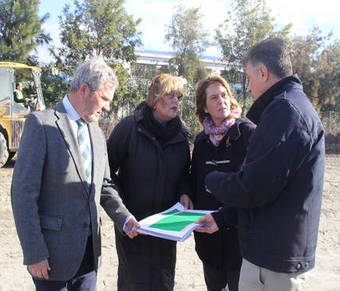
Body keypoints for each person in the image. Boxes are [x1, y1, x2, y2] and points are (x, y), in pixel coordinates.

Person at [196, 38, 325, 291]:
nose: (249, 86)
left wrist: (212, 178)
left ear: (263, 72)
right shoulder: (288, 107)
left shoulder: (285, 112)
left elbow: (253, 187)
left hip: (276, 257)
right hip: (270, 251)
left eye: (249, 78)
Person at [11, 56, 139, 291]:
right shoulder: (41, 124)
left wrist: (125, 218)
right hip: (51, 257)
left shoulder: (97, 134)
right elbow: (23, 194)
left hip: (89, 255)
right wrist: (34, 252)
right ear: (84, 90)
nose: (107, 107)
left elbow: (105, 186)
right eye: (104, 98)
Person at [107, 73, 193, 291]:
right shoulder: (129, 128)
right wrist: (122, 212)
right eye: (170, 94)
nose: (176, 100)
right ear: (155, 99)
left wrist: (185, 192)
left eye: (179, 96)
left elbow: (184, 173)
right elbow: (106, 173)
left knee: (163, 282)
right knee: (133, 283)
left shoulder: (182, 136)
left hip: (167, 227)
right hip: (134, 226)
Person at [191, 75, 255, 291]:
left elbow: (253, 187)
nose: (222, 101)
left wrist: (224, 217)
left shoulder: (248, 134)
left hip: (241, 241)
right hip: (209, 243)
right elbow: (194, 180)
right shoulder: (200, 142)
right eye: (214, 98)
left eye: (224, 95)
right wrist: (185, 195)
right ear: (205, 107)